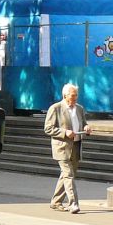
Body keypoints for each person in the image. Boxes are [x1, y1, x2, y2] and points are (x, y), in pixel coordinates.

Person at [44, 82, 91, 214]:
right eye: (72, 96)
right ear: (65, 96)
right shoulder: (55, 108)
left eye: (76, 96)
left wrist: (86, 128)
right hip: (62, 147)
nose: (75, 98)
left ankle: (56, 201)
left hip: (76, 146)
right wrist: (65, 132)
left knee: (66, 176)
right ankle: (73, 203)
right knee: (68, 175)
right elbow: (48, 128)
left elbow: (84, 124)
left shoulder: (80, 108)